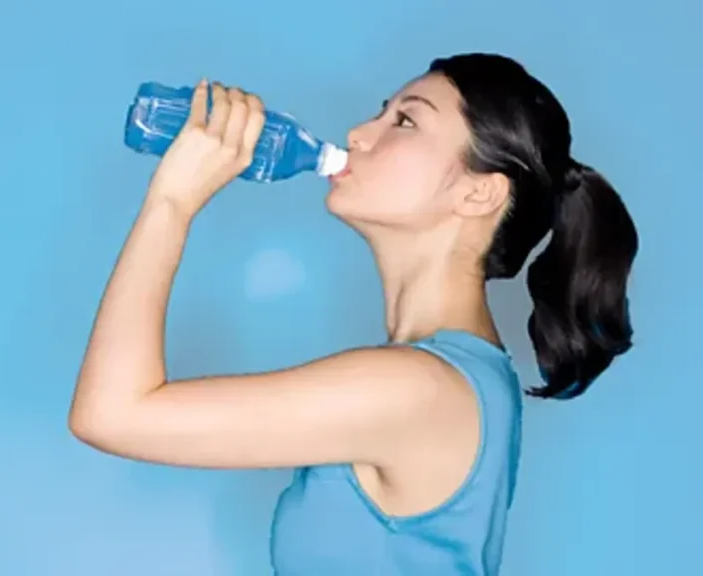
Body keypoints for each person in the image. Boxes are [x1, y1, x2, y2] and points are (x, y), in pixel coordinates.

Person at [68, 53, 638, 574]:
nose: (359, 134)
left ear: (479, 194)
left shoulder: (419, 388)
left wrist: (172, 201)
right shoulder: (456, 379)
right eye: (381, 112)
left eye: (405, 122)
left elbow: (112, 414)